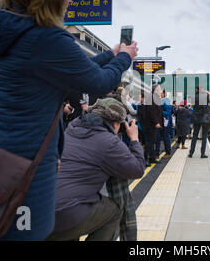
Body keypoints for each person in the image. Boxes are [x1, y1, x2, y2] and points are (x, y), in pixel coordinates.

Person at [0, 0, 138, 241]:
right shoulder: (46, 37)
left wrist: (109, 54)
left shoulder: (7, 33)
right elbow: (96, 82)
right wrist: (125, 58)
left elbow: (71, 73)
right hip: (21, 178)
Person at [47, 98, 145, 241]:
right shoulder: (109, 142)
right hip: (65, 216)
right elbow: (137, 169)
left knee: (74, 206)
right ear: (115, 123)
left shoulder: (71, 129)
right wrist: (134, 140)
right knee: (114, 211)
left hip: (41, 213)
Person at [141, 84, 163, 166]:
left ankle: (152, 158)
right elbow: (151, 112)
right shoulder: (152, 97)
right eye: (159, 89)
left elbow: (158, 111)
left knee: (152, 141)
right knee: (149, 142)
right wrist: (156, 122)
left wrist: (161, 119)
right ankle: (145, 159)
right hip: (150, 124)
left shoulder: (155, 97)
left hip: (153, 123)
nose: (161, 90)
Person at [188, 87, 210, 158]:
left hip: (197, 119)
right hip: (205, 119)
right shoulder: (207, 96)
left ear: (197, 90)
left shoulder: (194, 97)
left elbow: (193, 106)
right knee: (204, 136)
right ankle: (202, 154)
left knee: (195, 135)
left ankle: (191, 153)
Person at [155, 88, 172, 157]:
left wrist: (159, 113)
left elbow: (168, 112)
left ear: (164, 94)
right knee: (158, 137)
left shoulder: (166, 100)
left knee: (165, 136)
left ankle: (168, 152)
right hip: (160, 120)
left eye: (161, 93)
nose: (160, 94)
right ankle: (157, 153)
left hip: (165, 121)